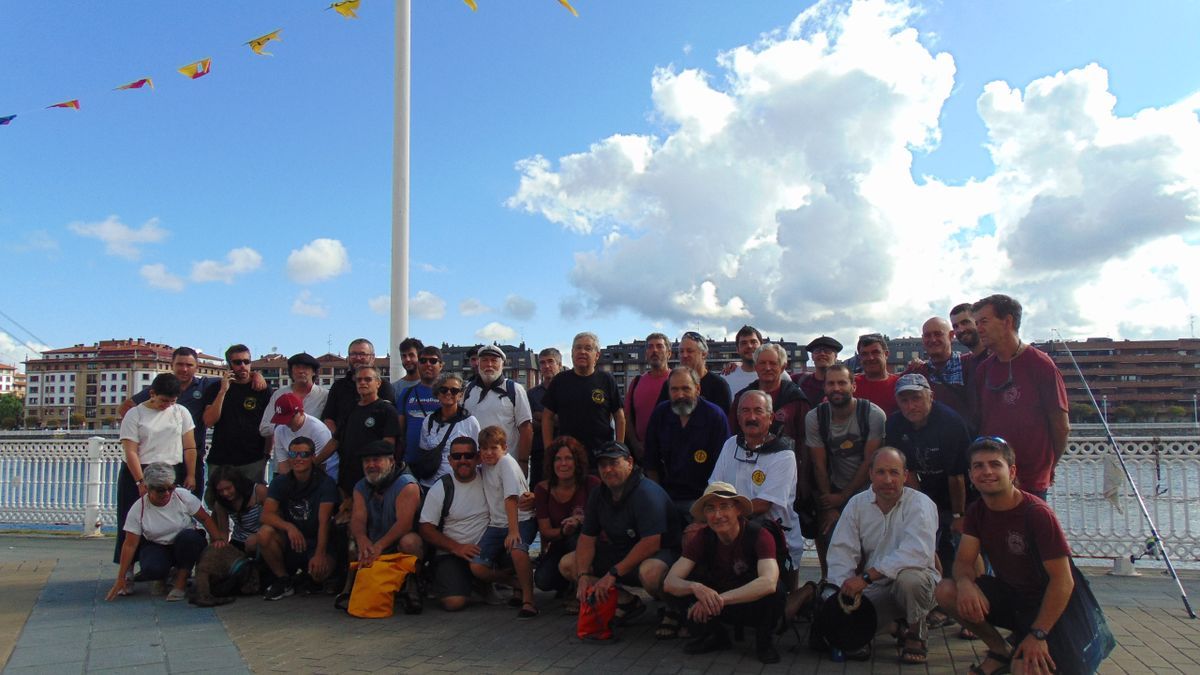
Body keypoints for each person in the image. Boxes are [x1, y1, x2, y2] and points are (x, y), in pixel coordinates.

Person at [935, 437, 1100, 675]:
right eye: (978, 466)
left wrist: (1039, 634)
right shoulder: (977, 511)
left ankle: (1031, 646)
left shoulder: (1037, 513)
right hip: (1014, 598)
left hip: (1052, 607)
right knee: (947, 590)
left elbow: (1063, 581)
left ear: (1011, 471)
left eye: (995, 464)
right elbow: (963, 561)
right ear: (970, 475)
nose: (987, 472)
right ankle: (1000, 650)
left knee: (1026, 669)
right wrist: (964, 583)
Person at [826, 448, 941, 664]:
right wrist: (841, 593)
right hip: (875, 587)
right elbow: (841, 551)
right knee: (835, 628)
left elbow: (917, 553)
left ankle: (917, 634)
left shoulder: (921, 503)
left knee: (910, 580)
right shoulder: (857, 504)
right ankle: (897, 627)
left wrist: (866, 577)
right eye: (881, 472)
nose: (887, 480)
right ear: (870, 474)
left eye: (894, 472)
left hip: (918, 584)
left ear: (905, 475)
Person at [561, 441, 682, 639]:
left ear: (630, 462)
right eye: (602, 465)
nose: (608, 469)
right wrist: (583, 575)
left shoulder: (646, 493)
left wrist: (613, 574)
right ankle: (626, 601)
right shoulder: (598, 494)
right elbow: (587, 537)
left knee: (650, 572)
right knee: (568, 564)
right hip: (623, 552)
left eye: (613, 463)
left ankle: (675, 608)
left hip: (663, 554)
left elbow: (651, 542)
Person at [663, 482, 783, 664]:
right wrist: (696, 588)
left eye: (724, 506)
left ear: (737, 510)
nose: (717, 515)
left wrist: (719, 599)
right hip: (719, 601)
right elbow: (670, 581)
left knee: (777, 592)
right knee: (679, 591)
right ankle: (715, 636)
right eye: (710, 509)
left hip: (748, 602)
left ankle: (764, 641)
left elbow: (768, 582)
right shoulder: (702, 537)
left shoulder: (760, 535)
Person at [120, 345, 255, 501]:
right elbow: (126, 407)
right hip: (155, 461)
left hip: (190, 459)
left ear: (196, 367)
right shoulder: (160, 387)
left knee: (188, 506)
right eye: (180, 364)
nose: (184, 369)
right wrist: (143, 425)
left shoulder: (206, 385)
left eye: (189, 365)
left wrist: (255, 375)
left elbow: (239, 375)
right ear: (172, 365)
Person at [972, 294, 1070, 499]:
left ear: (1007, 321)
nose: (978, 328)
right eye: (977, 323)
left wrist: (1049, 466)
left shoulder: (1040, 364)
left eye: (984, 322)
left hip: (1031, 480)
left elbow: (1061, 425)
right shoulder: (983, 370)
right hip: (994, 479)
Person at [709, 390, 804, 576]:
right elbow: (714, 488)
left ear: (770, 418)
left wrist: (722, 514)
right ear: (738, 417)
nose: (751, 417)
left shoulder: (784, 455)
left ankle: (807, 592)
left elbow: (763, 504)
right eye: (745, 411)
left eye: (758, 411)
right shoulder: (730, 445)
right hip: (731, 530)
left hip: (774, 537)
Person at [804, 362, 886, 577]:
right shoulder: (815, 418)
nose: (836, 388)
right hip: (833, 488)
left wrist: (844, 497)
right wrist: (829, 503)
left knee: (870, 549)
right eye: (831, 384)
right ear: (825, 388)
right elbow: (818, 463)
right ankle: (830, 588)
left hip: (868, 491)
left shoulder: (873, 415)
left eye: (842, 383)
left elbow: (869, 461)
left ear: (853, 386)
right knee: (833, 543)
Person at [884, 373, 970, 574]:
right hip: (926, 489)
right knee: (929, 543)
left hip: (959, 492)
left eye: (916, 398)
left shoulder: (950, 422)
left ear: (930, 397)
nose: (910, 406)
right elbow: (908, 471)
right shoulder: (895, 425)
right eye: (904, 401)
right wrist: (922, 508)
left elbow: (956, 475)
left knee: (961, 543)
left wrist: (959, 515)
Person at [107, 462, 226, 602]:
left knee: (190, 539)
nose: (167, 493)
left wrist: (218, 539)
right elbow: (130, 545)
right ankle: (164, 575)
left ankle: (181, 582)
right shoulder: (138, 509)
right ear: (147, 488)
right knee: (151, 568)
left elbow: (205, 519)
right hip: (157, 545)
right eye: (160, 490)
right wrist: (121, 577)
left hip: (184, 543)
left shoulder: (182, 496)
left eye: (171, 488)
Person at [115, 373, 197, 564]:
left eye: (172, 401)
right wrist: (140, 481)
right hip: (140, 469)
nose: (167, 405)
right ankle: (126, 570)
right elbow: (131, 451)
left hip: (170, 470)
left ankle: (168, 565)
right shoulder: (135, 414)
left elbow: (190, 446)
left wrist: (191, 474)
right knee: (130, 520)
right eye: (163, 400)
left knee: (171, 519)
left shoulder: (181, 412)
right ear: (152, 393)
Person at [338, 440, 424, 613]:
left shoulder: (407, 485)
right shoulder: (360, 486)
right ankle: (351, 585)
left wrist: (379, 546)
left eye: (376, 460)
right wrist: (362, 540)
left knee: (410, 542)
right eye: (366, 461)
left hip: (398, 544)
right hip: (373, 542)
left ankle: (413, 587)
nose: (371, 465)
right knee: (353, 538)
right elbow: (358, 518)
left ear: (391, 461)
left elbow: (404, 524)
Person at [643, 366, 731, 518]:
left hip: (702, 499)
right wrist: (658, 499)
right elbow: (651, 461)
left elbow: (724, 466)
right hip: (666, 497)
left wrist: (708, 505)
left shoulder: (715, 416)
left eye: (686, 388)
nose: (680, 395)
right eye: (674, 389)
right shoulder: (660, 414)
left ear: (697, 389)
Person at [470, 426, 539, 619]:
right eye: (484, 449)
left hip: (520, 520)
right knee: (477, 566)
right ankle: (514, 582)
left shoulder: (506, 464)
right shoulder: (484, 465)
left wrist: (513, 531)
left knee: (517, 549)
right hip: (496, 524)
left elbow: (511, 498)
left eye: (494, 448)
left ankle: (528, 599)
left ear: (505, 448)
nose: (489, 453)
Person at [417, 436, 493, 612]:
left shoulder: (490, 478)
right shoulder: (442, 487)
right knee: (454, 603)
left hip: (488, 549)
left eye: (469, 455)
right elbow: (425, 528)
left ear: (478, 458)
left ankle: (503, 582)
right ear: (450, 461)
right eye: (457, 457)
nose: (463, 460)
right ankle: (468, 584)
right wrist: (457, 548)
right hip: (452, 552)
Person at [258, 436, 339, 600]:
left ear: (313, 457)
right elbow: (266, 515)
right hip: (291, 541)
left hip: (317, 541)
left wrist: (319, 554)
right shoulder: (280, 482)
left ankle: (308, 577)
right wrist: (289, 527)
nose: (298, 459)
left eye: (304, 454)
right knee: (264, 534)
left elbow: (324, 523)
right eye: (294, 455)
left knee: (319, 573)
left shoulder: (326, 483)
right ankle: (283, 579)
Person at [532, 436, 600, 606]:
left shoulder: (592, 484)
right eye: (558, 459)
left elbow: (604, 520)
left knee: (577, 538)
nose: (563, 464)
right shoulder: (542, 489)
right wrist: (564, 530)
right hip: (560, 541)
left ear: (577, 462)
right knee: (542, 580)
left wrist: (582, 520)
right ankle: (567, 584)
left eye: (569, 458)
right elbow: (545, 531)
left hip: (590, 543)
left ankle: (582, 591)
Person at [202, 344, 273, 505]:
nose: (243, 366)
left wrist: (266, 455)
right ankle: (220, 531)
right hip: (220, 458)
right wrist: (222, 391)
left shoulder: (263, 390)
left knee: (253, 503)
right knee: (215, 502)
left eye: (246, 362)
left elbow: (269, 426)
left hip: (252, 458)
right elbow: (208, 421)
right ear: (229, 365)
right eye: (237, 362)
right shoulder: (215, 388)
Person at [541, 332, 625, 465]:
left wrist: (620, 448)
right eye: (578, 348)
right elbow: (547, 417)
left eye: (588, 348)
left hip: (601, 455)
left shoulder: (607, 380)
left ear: (597, 355)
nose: (582, 352)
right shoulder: (560, 381)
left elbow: (619, 417)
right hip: (567, 456)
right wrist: (549, 449)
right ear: (572, 353)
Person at [321, 365, 401, 497]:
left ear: (378, 383)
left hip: (373, 480)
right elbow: (335, 441)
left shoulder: (386, 410)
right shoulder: (350, 409)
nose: (362, 383)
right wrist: (315, 462)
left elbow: (389, 446)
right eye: (359, 380)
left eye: (368, 379)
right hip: (346, 479)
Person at [462, 345, 533, 475]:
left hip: (507, 466)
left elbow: (526, 428)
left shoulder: (515, 390)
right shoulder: (468, 390)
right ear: (478, 363)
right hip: (476, 468)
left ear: (502, 364)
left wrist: (523, 462)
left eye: (494, 360)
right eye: (484, 360)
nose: (489, 364)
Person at [904, 317, 978, 432]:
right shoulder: (915, 373)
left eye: (938, 334)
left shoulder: (972, 364)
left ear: (951, 336)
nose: (933, 340)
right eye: (927, 335)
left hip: (965, 441)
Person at [730, 343, 809, 445]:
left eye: (773, 363)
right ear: (756, 367)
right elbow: (733, 433)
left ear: (783, 367)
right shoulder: (742, 398)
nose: (767, 368)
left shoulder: (797, 400)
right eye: (762, 363)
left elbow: (805, 439)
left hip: (787, 458)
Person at [416, 372, 480, 488]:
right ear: (437, 394)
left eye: (454, 390)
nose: (449, 393)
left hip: (458, 485)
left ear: (460, 395)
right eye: (444, 390)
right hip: (429, 484)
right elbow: (424, 452)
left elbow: (477, 456)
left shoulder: (470, 422)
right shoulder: (428, 421)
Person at [321, 338, 397, 436]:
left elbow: (389, 421)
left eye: (362, 354)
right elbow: (328, 418)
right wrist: (339, 440)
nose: (358, 357)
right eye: (353, 354)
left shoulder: (384, 386)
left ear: (372, 358)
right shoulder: (338, 386)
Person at [623, 332, 673, 462]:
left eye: (659, 346)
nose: (654, 350)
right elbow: (627, 417)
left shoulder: (678, 381)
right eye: (650, 347)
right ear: (646, 354)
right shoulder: (636, 382)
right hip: (641, 455)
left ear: (669, 353)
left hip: (671, 454)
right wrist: (635, 445)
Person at [658, 332, 732, 418]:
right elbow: (660, 419)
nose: (684, 355)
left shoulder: (719, 386)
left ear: (704, 354)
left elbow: (723, 421)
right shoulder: (670, 385)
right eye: (681, 351)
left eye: (689, 351)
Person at [258, 352, 328, 439]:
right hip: (284, 449)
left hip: (316, 449)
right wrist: (287, 424)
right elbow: (264, 428)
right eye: (297, 367)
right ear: (291, 371)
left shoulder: (324, 396)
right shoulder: (279, 395)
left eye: (306, 368)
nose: (301, 371)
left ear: (314, 372)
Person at [270, 392, 336, 480]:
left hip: (326, 474)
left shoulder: (318, 430)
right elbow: (283, 464)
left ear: (300, 412)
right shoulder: (279, 430)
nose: (286, 422)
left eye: (289, 418)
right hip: (297, 473)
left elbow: (321, 466)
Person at [398, 345, 443, 467]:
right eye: (423, 361)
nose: (428, 364)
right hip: (411, 463)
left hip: (441, 463)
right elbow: (400, 431)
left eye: (433, 361)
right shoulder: (406, 393)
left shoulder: (450, 393)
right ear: (418, 364)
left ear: (441, 365)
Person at [211, 465, 268, 555]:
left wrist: (259, 536)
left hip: (262, 538)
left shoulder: (259, 491)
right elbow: (223, 531)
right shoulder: (220, 503)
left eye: (228, 488)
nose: (225, 493)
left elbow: (273, 519)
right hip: (238, 540)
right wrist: (221, 544)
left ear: (237, 483)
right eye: (220, 491)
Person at [527, 347, 561, 487]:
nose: (546, 366)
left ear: (559, 364)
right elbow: (529, 423)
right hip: (539, 453)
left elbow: (568, 419)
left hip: (564, 451)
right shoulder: (532, 394)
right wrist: (554, 418)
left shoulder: (569, 389)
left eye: (550, 362)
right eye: (542, 363)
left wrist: (541, 416)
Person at [853, 333, 899, 416]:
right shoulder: (850, 384)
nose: (870, 358)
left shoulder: (899, 384)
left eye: (875, 352)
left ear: (886, 354)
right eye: (864, 354)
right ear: (859, 357)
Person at [794, 335, 841, 404]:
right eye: (817, 351)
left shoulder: (844, 383)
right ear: (812, 356)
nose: (822, 354)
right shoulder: (798, 380)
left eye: (827, 351)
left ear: (836, 356)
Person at [721, 325, 763, 395]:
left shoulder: (778, 375)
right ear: (737, 349)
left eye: (753, 342)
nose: (749, 346)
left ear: (761, 346)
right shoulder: (726, 378)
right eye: (743, 343)